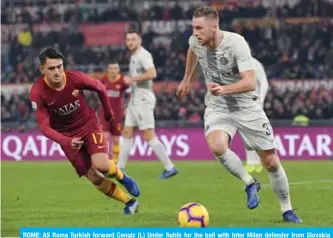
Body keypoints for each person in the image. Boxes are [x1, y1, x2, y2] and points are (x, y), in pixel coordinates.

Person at [176, 6, 301, 223]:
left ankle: (287, 209)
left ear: (214, 27)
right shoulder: (195, 41)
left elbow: (250, 82)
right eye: (193, 28)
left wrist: (224, 88)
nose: (195, 33)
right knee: (217, 146)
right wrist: (187, 78)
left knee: (270, 162)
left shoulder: (236, 43)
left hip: (246, 106)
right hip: (218, 106)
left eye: (199, 28)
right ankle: (250, 182)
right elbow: (192, 50)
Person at [30, 47, 140, 215]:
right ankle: (130, 202)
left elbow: (100, 88)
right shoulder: (38, 92)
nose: (57, 71)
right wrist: (67, 141)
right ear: (42, 69)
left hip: (88, 125)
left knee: (102, 166)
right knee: (94, 178)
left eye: (59, 66)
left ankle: (122, 177)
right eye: (51, 68)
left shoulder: (75, 77)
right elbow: (44, 127)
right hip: (67, 137)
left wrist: (108, 112)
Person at [117, 29, 178, 179]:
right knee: (127, 132)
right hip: (135, 99)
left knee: (148, 134)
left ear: (140, 41)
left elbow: (152, 74)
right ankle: (120, 168)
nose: (130, 42)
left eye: (133, 39)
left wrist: (133, 79)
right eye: (128, 40)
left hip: (143, 99)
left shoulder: (144, 55)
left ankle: (170, 167)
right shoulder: (134, 56)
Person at [99, 61, 129, 163]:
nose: (113, 71)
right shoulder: (103, 80)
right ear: (108, 70)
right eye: (111, 68)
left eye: (115, 68)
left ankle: (115, 162)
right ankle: (105, 160)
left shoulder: (123, 81)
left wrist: (128, 107)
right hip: (104, 113)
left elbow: (131, 93)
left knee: (116, 139)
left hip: (117, 114)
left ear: (118, 69)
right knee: (105, 137)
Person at [244, 57, 269, 173]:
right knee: (246, 134)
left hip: (255, 103)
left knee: (257, 134)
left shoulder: (254, 63)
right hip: (241, 104)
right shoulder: (234, 64)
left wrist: (261, 100)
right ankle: (250, 162)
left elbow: (264, 82)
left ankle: (259, 161)